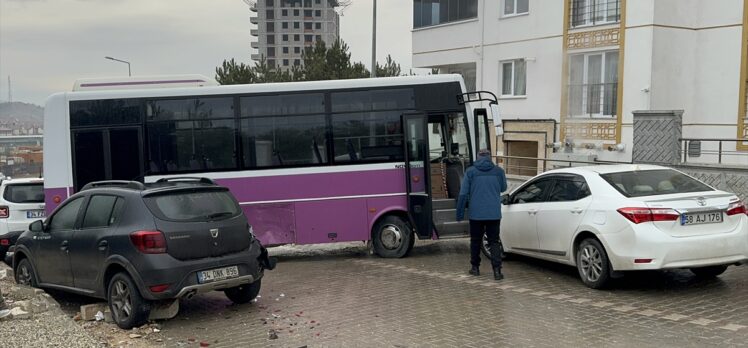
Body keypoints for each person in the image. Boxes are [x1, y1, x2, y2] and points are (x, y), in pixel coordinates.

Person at [456, 149, 508, 280]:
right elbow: (503, 188)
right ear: (490, 157)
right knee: (494, 241)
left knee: (475, 241)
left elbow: (463, 194)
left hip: (476, 214)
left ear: (478, 157)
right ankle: (497, 271)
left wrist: (460, 213)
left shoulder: (471, 172)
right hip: (494, 214)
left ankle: (475, 268)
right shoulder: (499, 171)